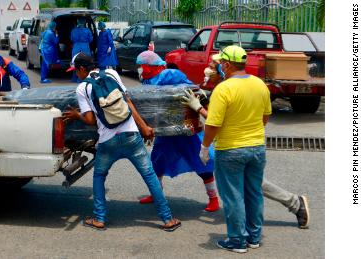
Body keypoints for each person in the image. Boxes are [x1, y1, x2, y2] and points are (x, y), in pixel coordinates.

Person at [186, 56, 310, 229]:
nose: (208, 69)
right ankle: (291, 205)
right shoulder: (237, 85)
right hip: (250, 143)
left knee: (241, 187)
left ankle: (240, 234)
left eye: (213, 66)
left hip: (234, 145)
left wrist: (199, 109)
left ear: (225, 67)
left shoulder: (226, 88)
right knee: (251, 182)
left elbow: (217, 122)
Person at [63, 53, 181, 231]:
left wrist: (76, 115)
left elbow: (90, 120)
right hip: (131, 136)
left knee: (99, 176)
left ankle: (99, 218)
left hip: (107, 141)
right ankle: (167, 219)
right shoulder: (112, 74)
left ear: (81, 69)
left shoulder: (82, 88)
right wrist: (144, 128)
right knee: (149, 175)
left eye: (75, 71)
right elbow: (127, 102)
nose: (75, 75)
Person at [199, 45, 270, 253]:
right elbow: (265, 117)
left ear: (227, 65)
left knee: (233, 196)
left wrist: (204, 147)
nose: (217, 66)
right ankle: (254, 237)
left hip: (230, 149)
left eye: (220, 63)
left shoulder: (224, 89)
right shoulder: (260, 84)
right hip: (257, 148)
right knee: (254, 193)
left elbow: (213, 124)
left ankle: (238, 240)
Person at [134, 51, 220, 212]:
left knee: (202, 165)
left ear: (150, 66)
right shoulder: (149, 84)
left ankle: (213, 199)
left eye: (141, 66)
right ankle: (156, 194)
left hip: (187, 133)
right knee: (156, 163)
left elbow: (202, 100)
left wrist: (200, 106)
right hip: (166, 133)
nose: (139, 69)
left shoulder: (180, 82)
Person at [70, 17, 93, 82]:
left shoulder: (73, 30)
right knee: (85, 62)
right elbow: (91, 39)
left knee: (75, 62)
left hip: (76, 47)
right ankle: (84, 78)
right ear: (84, 22)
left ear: (78, 22)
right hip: (85, 47)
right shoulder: (87, 30)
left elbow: (71, 38)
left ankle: (74, 78)